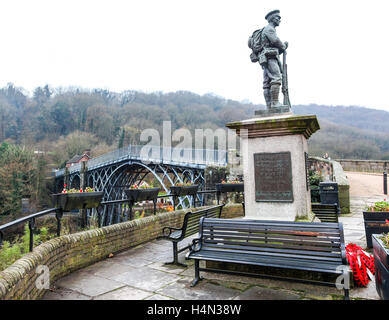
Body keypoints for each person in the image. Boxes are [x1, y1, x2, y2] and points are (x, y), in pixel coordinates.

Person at [259, 10, 288, 109]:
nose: (280, 19)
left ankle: (269, 105)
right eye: (278, 17)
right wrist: (283, 46)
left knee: (267, 82)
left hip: (267, 57)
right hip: (270, 58)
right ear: (272, 19)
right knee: (276, 78)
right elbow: (275, 41)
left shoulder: (267, 29)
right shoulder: (269, 29)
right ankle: (274, 103)